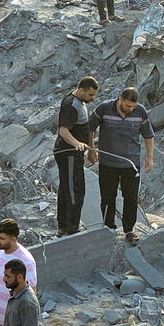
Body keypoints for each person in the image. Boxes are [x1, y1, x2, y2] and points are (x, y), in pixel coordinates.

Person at [90, 87, 154, 245]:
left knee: (131, 197)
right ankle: (108, 227)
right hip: (108, 162)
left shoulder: (140, 112)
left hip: (131, 164)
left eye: (133, 106)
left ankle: (129, 229)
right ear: (120, 99)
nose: (130, 109)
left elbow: (148, 135)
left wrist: (149, 158)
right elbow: (90, 128)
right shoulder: (104, 109)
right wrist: (91, 150)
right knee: (107, 196)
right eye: (127, 106)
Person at [54, 76, 99, 236]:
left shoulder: (80, 102)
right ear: (81, 90)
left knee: (68, 187)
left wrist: (91, 150)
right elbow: (63, 131)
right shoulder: (71, 105)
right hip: (68, 154)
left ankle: (64, 226)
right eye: (90, 95)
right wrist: (76, 144)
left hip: (74, 153)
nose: (92, 99)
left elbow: (85, 128)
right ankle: (71, 229)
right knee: (74, 190)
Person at [0, 219, 36, 326]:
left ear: (13, 239)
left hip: (17, 321)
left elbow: (31, 292)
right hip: (0, 315)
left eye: (2, 238)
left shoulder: (25, 260)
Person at [1, 258, 40, 326]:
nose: (4, 279)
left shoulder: (27, 303)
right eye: (4, 275)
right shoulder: (15, 293)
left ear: (20, 277)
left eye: (8, 276)